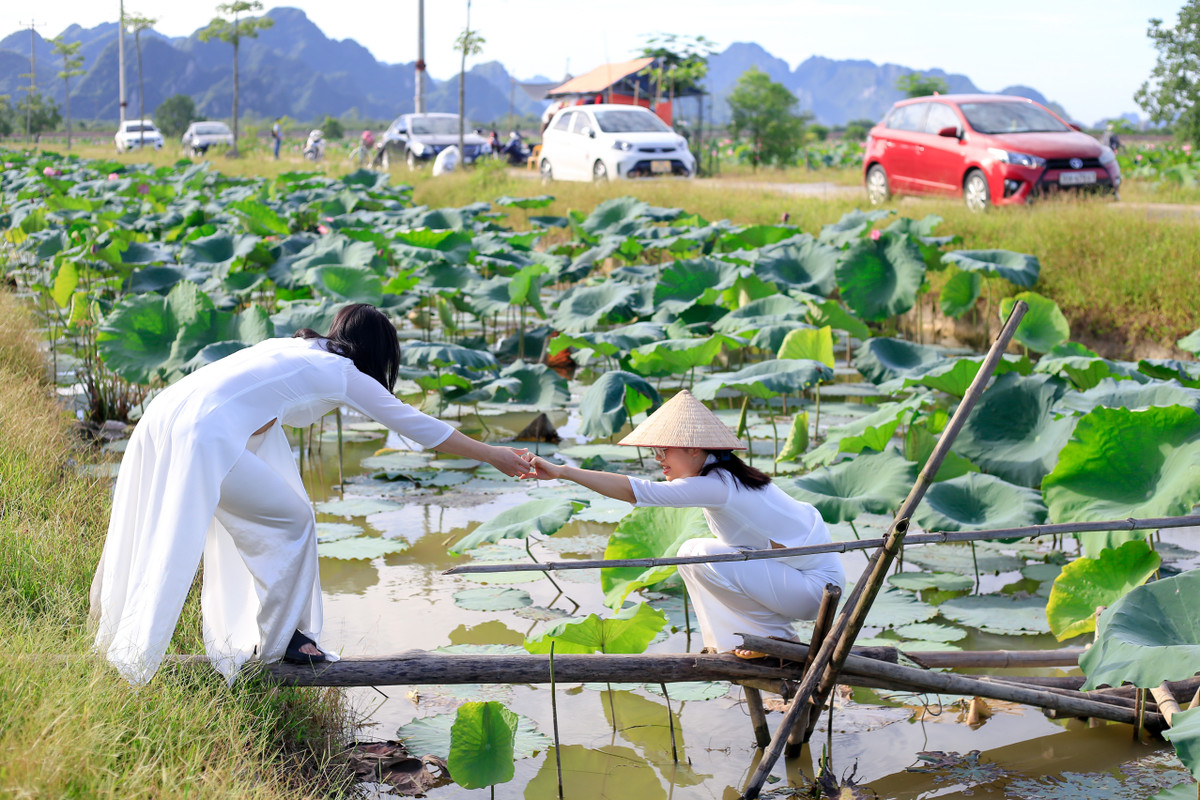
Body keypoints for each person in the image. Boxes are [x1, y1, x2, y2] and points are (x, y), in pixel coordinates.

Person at [90, 304, 533, 685]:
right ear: (379, 354)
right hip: (203, 434)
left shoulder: (294, 347)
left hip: (166, 414)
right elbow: (418, 426)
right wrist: (492, 454)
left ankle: (274, 633)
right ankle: (283, 641)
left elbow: (252, 401)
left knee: (262, 519)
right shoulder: (344, 373)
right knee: (293, 521)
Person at [527, 390, 844, 658]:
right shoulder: (727, 475)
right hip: (805, 584)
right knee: (693, 552)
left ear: (694, 448)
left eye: (664, 449)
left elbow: (637, 492)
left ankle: (777, 641)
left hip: (815, 590)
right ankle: (746, 638)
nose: (657, 457)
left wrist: (562, 471)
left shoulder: (718, 484)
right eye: (655, 450)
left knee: (700, 553)